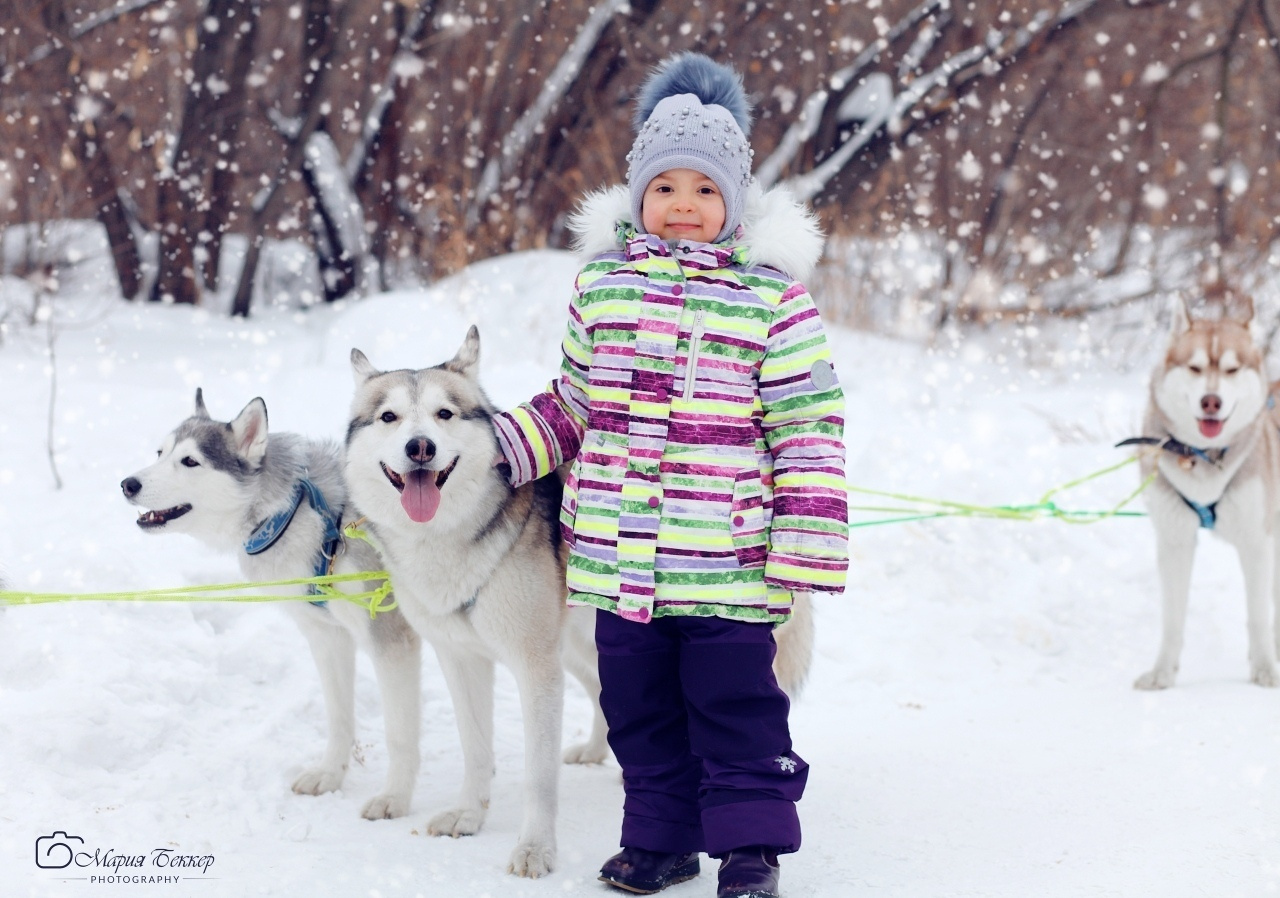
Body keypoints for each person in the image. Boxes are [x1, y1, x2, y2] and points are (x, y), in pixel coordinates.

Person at [491, 52, 848, 898]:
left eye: (703, 190)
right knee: (640, 713)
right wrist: (504, 449)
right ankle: (659, 840)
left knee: (735, 711)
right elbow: (577, 403)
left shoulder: (771, 300)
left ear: (733, 203)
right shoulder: (602, 288)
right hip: (622, 562)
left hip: (726, 561)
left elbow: (807, 424)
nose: (683, 205)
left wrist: (805, 542)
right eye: (665, 187)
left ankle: (750, 847)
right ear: (637, 195)